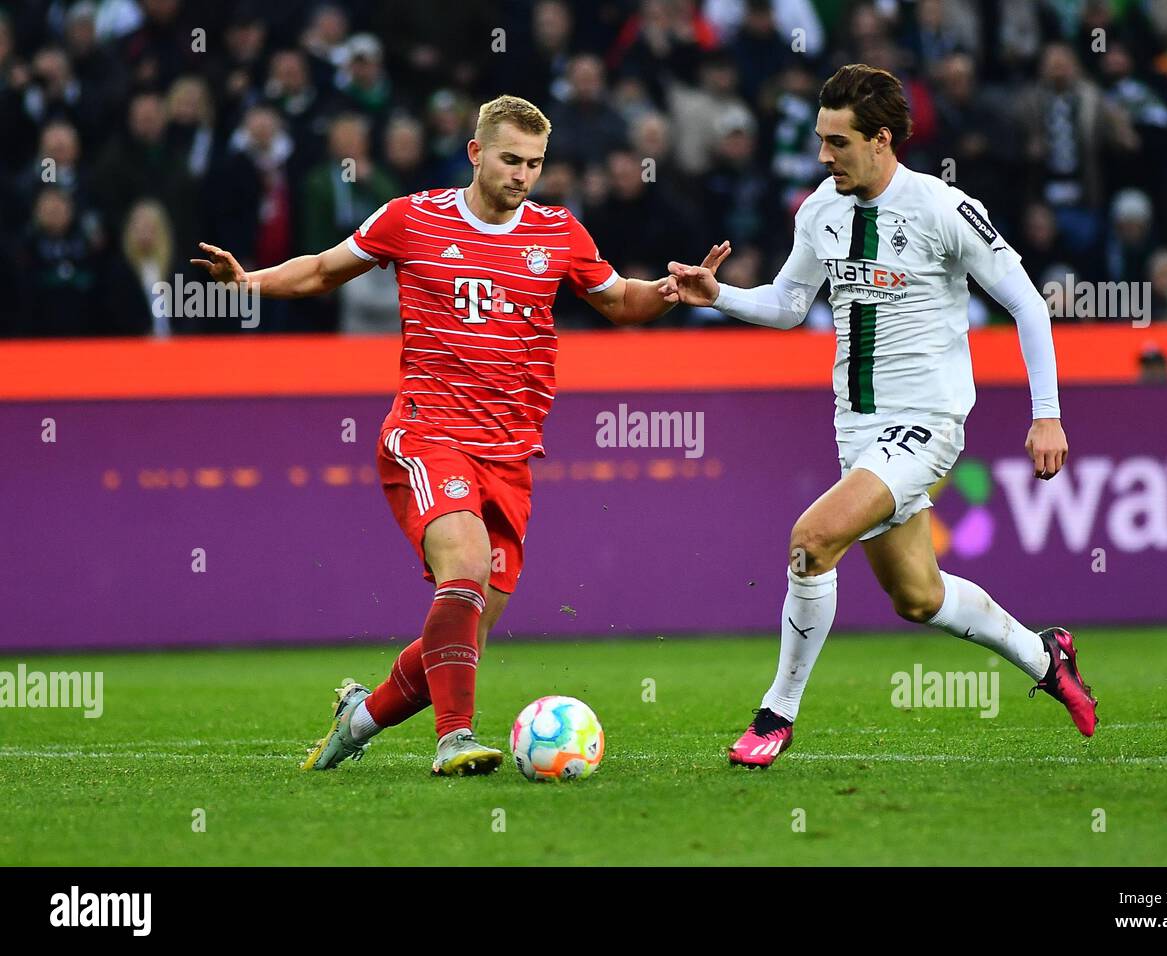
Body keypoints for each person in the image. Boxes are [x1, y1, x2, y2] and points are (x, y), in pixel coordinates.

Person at [191, 94, 729, 776]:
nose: (522, 175)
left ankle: (356, 718)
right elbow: (327, 269)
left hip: (511, 456)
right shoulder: (412, 218)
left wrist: (671, 291)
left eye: (534, 163)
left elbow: (619, 299)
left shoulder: (559, 232)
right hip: (428, 434)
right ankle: (454, 739)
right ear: (476, 153)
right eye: (510, 159)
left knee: (464, 629)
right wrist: (250, 283)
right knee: (466, 569)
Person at [659, 65, 1097, 768]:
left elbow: (1027, 303)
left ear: (881, 140)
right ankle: (1047, 656)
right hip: (857, 430)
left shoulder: (943, 209)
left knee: (811, 540)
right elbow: (790, 305)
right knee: (918, 597)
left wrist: (1047, 415)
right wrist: (720, 297)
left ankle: (776, 714)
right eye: (820, 140)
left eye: (837, 142)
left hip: (928, 421)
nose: (823, 155)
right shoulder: (819, 211)